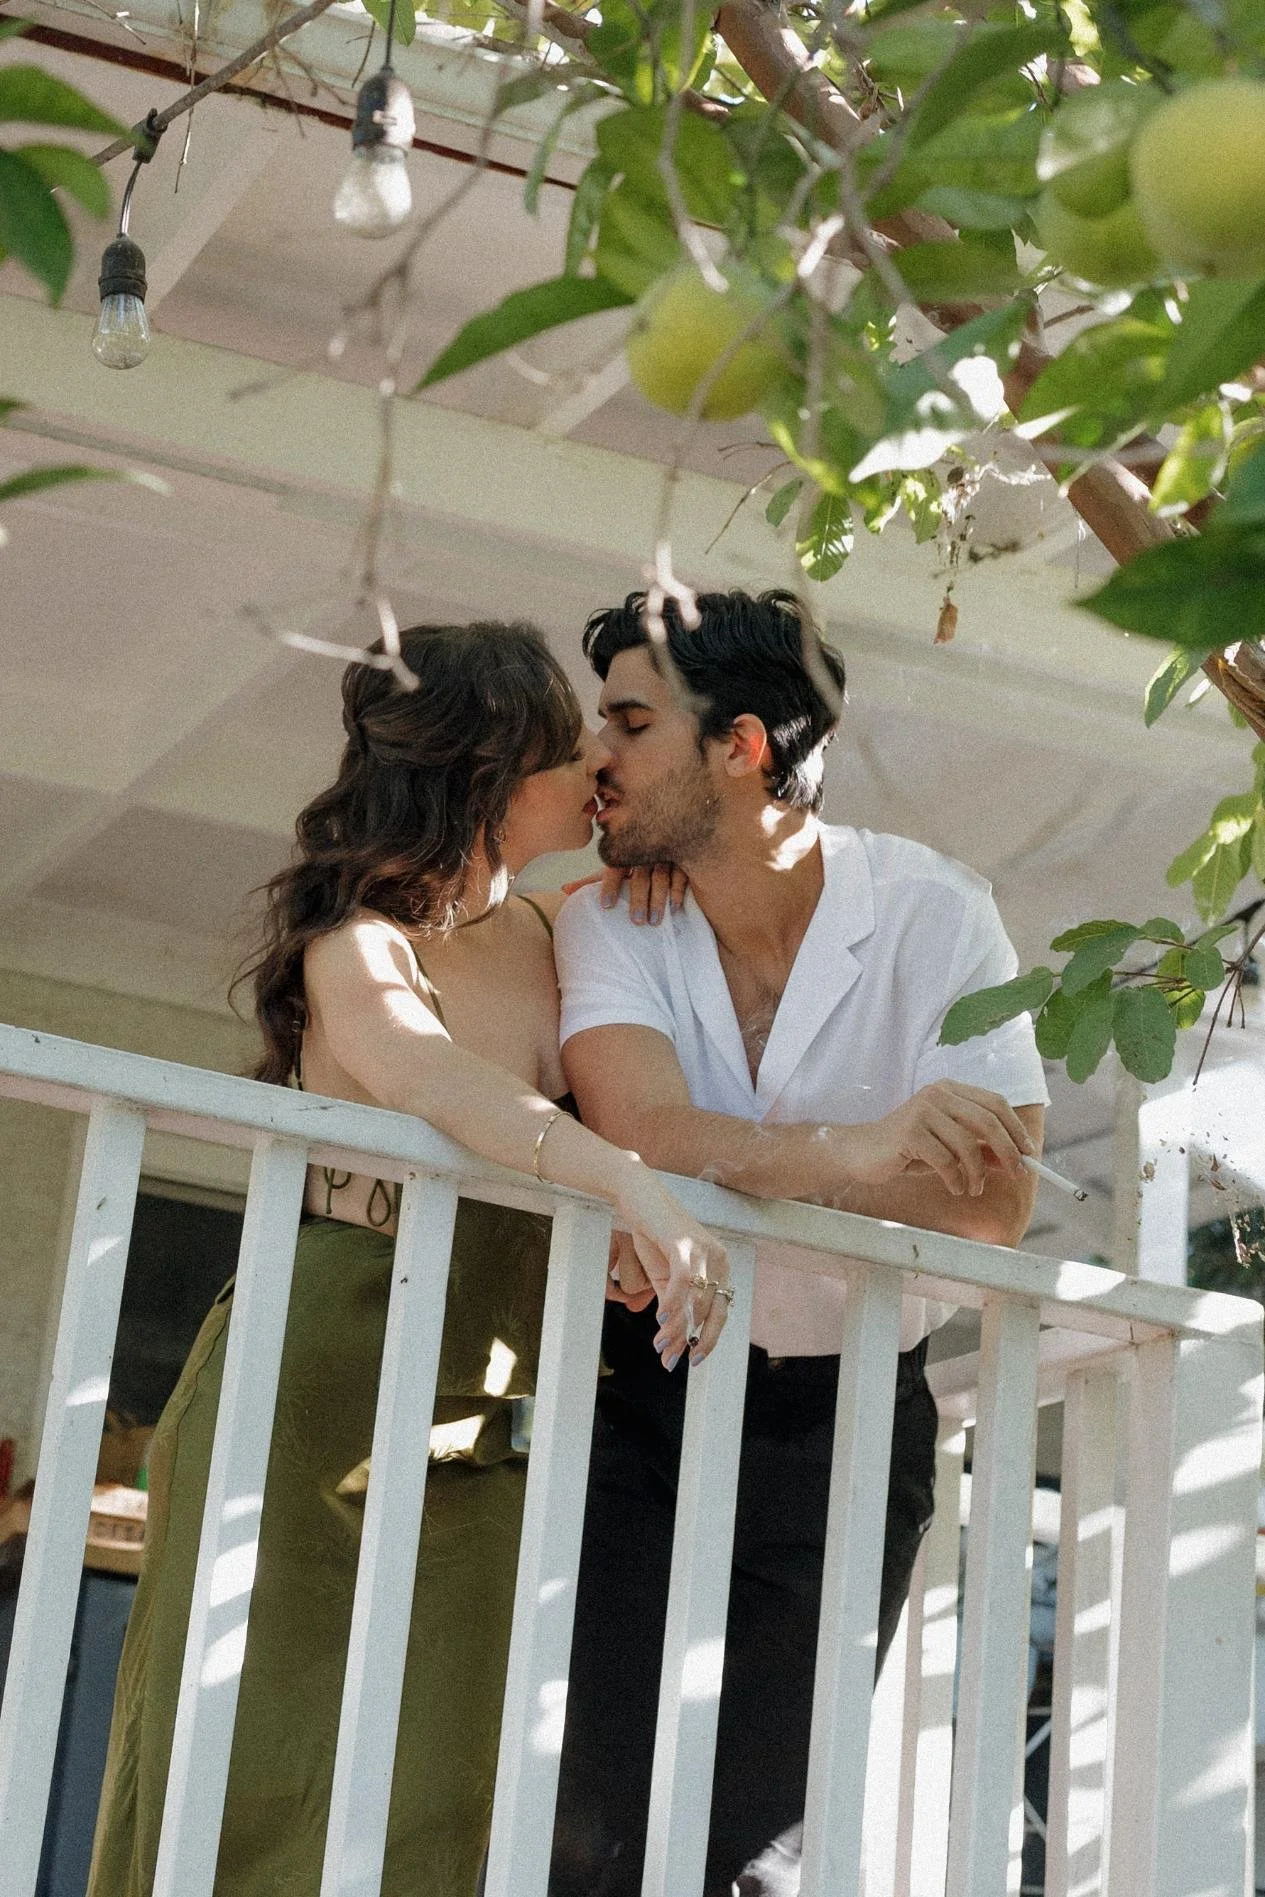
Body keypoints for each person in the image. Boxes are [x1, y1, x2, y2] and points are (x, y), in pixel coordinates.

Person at [87, 620, 730, 1897]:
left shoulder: (561, 937)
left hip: (488, 1401)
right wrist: (618, 1181)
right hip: (319, 1367)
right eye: (567, 750)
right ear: (493, 777)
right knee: (253, 1756)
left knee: (442, 1785)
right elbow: (436, 1082)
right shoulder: (362, 942)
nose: (598, 767)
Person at [549, 588, 1049, 1897]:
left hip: (851, 1421)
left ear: (745, 745)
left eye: (630, 722)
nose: (595, 751)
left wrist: (754, 1171)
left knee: (762, 1853)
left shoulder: (940, 915)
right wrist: (869, 1152)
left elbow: (992, 1208)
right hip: (637, 1396)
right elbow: (647, 1132)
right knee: (586, 1837)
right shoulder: (601, 920)